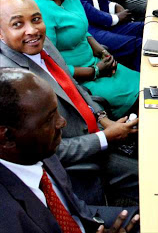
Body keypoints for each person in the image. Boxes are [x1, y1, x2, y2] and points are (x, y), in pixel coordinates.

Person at [0, 0, 139, 205]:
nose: (32, 30)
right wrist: (105, 138)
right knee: (148, 177)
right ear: (1, 33)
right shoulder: (10, 81)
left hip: (96, 132)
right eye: (18, 24)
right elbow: (47, 152)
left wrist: (103, 119)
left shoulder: (42, 43)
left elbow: (72, 85)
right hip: (77, 161)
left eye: (36, 19)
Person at [0, 68, 140, 232]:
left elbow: (74, 206)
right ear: (7, 137)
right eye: (49, 119)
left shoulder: (40, 149)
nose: (62, 123)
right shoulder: (6, 217)